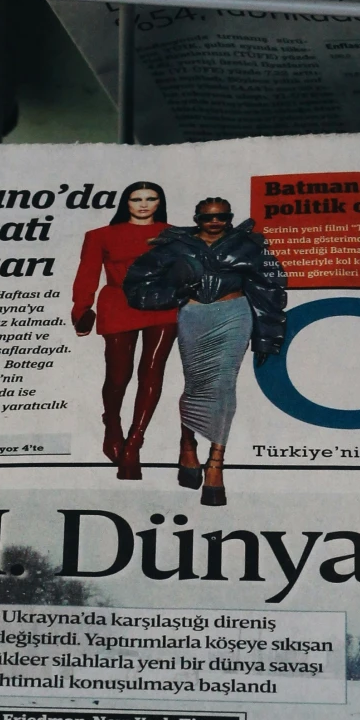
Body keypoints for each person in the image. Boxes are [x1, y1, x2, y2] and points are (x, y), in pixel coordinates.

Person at [124, 197, 287, 505]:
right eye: (209, 217)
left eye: (223, 216)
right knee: (197, 385)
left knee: (224, 384)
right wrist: (172, 294)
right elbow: (137, 283)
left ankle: (216, 462)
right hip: (194, 316)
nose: (216, 222)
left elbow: (270, 289)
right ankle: (187, 443)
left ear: (230, 217)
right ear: (197, 218)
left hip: (234, 314)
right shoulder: (174, 246)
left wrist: (268, 336)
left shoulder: (249, 246)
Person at [70, 181, 176, 481]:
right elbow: (87, 273)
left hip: (163, 305)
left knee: (153, 372)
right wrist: (81, 311)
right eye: (136, 198)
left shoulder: (176, 235)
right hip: (118, 302)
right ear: (125, 202)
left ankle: (134, 443)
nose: (143, 204)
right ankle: (112, 423)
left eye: (151, 198)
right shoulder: (101, 235)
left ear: (160, 201)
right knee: (118, 375)